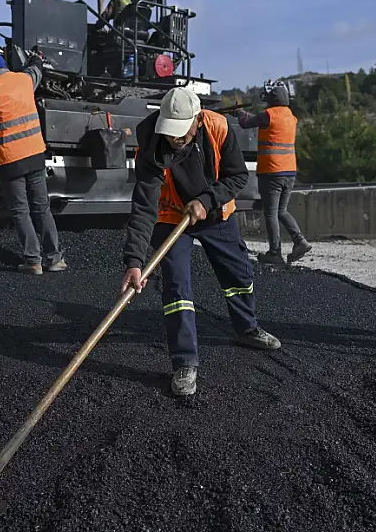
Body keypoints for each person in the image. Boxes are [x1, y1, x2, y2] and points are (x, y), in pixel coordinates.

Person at [120, 86, 283, 396]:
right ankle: (184, 362)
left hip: (215, 214)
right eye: (170, 133)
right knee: (177, 288)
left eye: (181, 133)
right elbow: (143, 207)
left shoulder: (219, 128)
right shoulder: (151, 147)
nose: (175, 139)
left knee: (239, 276)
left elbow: (237, 177)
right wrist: (134, 262)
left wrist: (207, 200)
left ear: (197, 120)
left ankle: (246, 328)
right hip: (171, 219)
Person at [0, 50, 66, 275]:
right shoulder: (23, 80)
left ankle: (33, 261)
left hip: (9, 160)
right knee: (42, 207)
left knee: (21, 210)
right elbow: (36, 70)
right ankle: (54, 259)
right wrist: (37, 57)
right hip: (35, 154)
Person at [235, 81, 312, 265]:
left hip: (271, 171)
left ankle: (275, 253)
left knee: (270, 213)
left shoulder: (269, 115)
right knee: (281, 211)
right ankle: (299, 241)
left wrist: (238, 113)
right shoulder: (291, 117)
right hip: (289, 171)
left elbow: (246, 123)